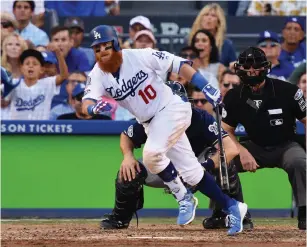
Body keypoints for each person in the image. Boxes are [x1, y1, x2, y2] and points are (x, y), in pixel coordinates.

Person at [80, 25, 248, 235]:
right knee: (193, 173)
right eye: (97, 49)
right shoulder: (97, 75)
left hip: (172, 108)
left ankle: (183, 197)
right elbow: (86, 101)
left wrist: (205, 86)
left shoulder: (140, 56)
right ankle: (233, 207)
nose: (102, 53)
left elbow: (178, 64)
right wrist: (92, 107)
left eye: (106, 47)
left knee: (151, 154)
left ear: (115, 45)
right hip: (151, 123)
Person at [101, 81, 253, 230]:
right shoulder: (151, 116)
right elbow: (126, 136)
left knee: (225, 162)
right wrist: (128, 156)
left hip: (195, 163)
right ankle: (120, 219)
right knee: (128, 171)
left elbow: (231, 149)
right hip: (162, 166)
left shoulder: (199, 117)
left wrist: (204, 167)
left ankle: (227, 215)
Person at [221, 46, 306, 230]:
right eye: (247, 67)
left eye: (256, 67)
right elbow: (225, 130)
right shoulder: (234, 96)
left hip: (286, 145)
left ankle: (305, 212)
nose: (251, 71)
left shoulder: (288, 91)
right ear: (239, 69)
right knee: (222, 162)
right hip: (254, 146)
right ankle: (234, 213)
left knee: (299, 161)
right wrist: (241, 151)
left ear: (266, 67)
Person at [3, 48, 69, 120]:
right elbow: (3, 104)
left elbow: (64, 76)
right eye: (27, 63)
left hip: (40, 129)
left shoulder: (47, 83)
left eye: (35, 64)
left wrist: (58, 54)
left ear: (42, 69)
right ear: (21, 68)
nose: (31, 66)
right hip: (17, 129)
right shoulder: (13, 83)